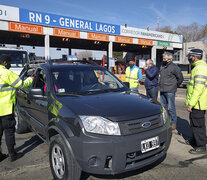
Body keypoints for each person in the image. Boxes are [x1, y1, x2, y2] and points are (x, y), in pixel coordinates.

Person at [0, 55, 33, 162]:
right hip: (6, 109)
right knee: (9, 132)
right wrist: (30, 79)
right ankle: (12, 154)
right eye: (9, 62)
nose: (10, 64)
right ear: (4, 62)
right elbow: (21, 84)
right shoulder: (7, 73)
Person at [185, 49, 207, 154]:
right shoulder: (199, 67)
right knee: (194, 123)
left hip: (198, 103)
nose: (189, 58)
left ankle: (201, 146)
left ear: (194, 57)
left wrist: (191, 103)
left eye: (190, 56)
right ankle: (196, 140)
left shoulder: (200, 68)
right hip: (198, 102)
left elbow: (198, 88)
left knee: (198, 124)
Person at [159, 52, 183, 130]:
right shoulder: (162, 66)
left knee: (171, 108)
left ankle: (173, 123)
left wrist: (174, 86)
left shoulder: (174, 67)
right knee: (163, 108)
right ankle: (166, 121)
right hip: (162, 90)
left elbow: (180, 78)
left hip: (170, 91)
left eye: (164, 58)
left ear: (169, 59)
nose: (163, 59)